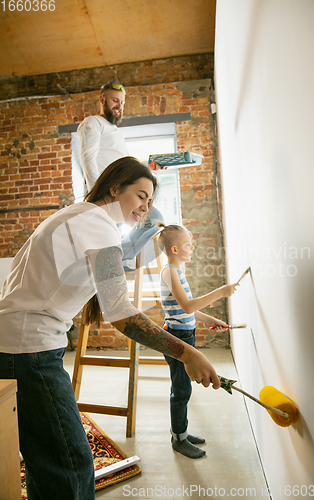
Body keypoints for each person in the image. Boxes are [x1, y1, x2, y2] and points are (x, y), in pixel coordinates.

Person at [0, 157, 221, 500]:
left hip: (20, 344)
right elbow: (120, 312)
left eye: (150, 201)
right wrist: (186, 352)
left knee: (49, 460)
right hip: (28, 350)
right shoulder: (97, 224)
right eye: (141, 195)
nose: (145, 207)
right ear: (115, 187)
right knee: (71, 467)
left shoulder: (80, 217)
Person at [158, 224, 239, 459]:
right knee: (181, 389)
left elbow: (187, 311)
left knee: (183, 387)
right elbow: (188, 307)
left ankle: (180, 432)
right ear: (175, 248)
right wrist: (221, 292)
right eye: (188, 244)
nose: (192, 248)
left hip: (185, 335)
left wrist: (211, 319)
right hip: (177, 337)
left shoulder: (177, 272)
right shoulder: (169, 272)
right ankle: (179, 439)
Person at [77, 81, 164, 265]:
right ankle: (115, 260)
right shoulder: (94, 123)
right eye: (115, 100)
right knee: (154, 217)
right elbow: (88, 159)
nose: (119, 106)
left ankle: (117, 259)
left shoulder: (115, 131)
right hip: (109, 195)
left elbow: (127, 169)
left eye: (122, 102)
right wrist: (97, 196)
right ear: (102, 100)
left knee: (154, 218)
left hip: (120, 193)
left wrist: (149, 167)